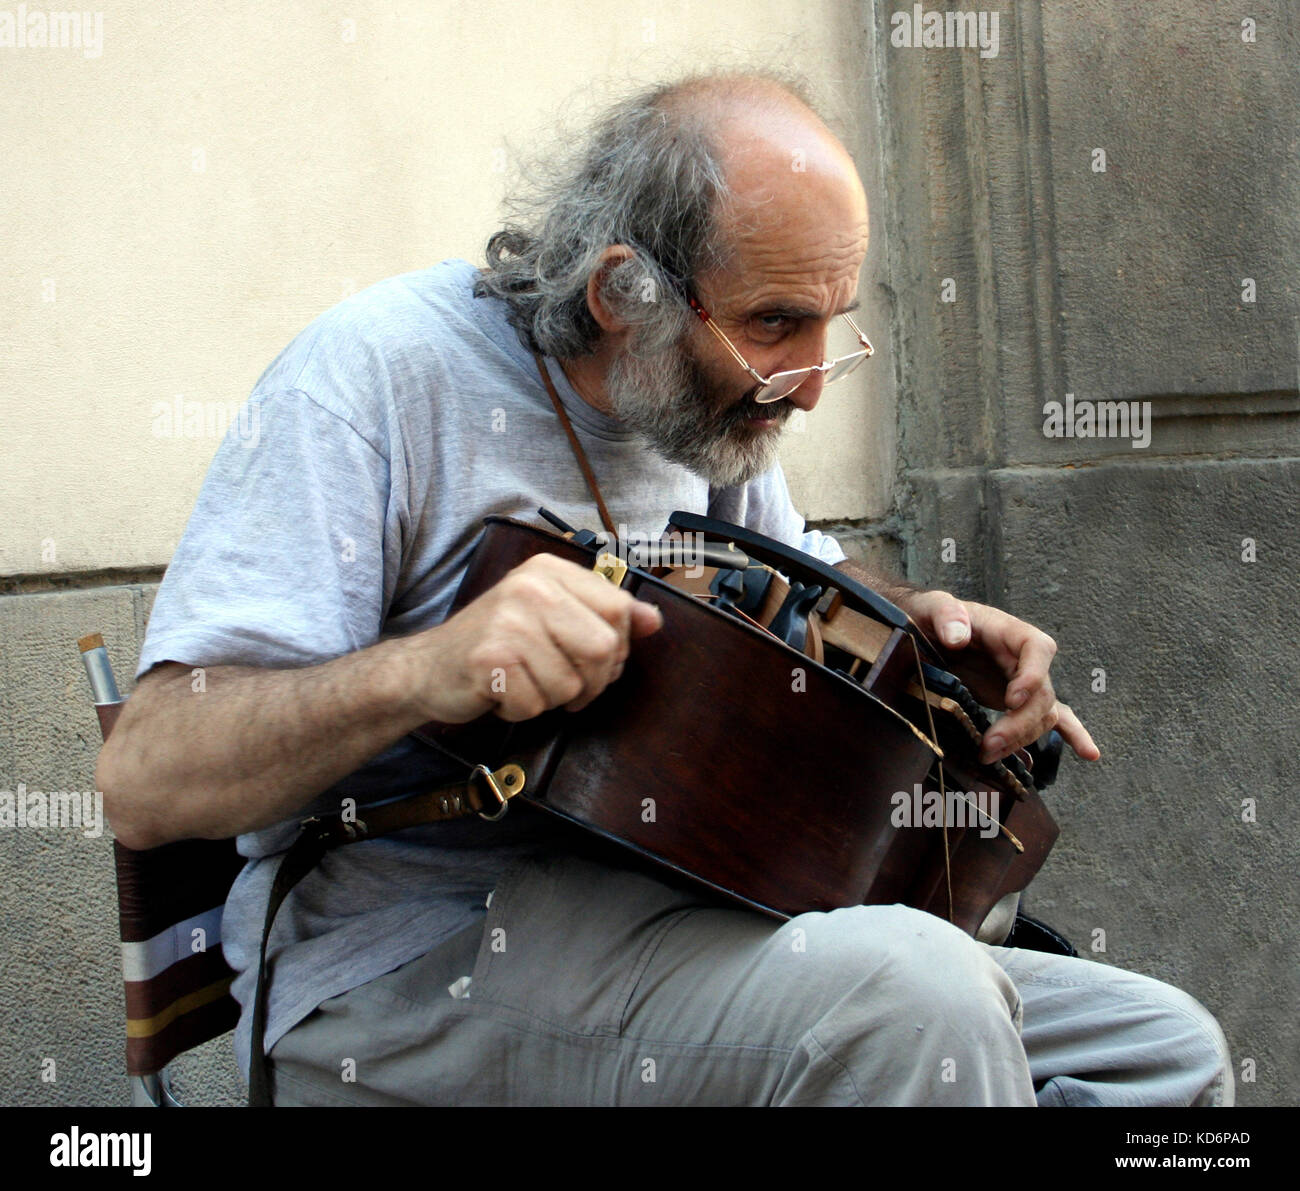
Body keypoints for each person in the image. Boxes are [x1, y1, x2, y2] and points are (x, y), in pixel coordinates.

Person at [96, 71, 1232, 1106]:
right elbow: (147, 774)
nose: (806, 384)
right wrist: (430, 669)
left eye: (829, 324)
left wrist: (914, 622)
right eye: (774, 325)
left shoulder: (697, 406)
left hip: (679, 905)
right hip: (404, 964)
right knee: (913, 1000)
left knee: (1155, 1051)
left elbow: (801, 590)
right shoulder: (374, 379)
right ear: (621, 291)